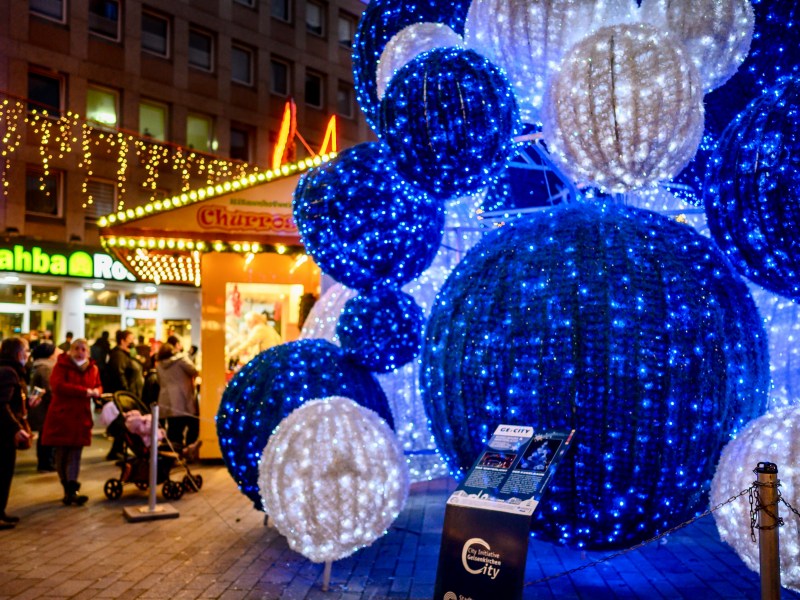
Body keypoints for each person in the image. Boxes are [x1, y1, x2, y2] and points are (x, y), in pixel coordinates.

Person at [41, 339, 102, 506]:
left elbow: (98, 385)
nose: (80, 351)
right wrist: (85, 392)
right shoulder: (61, 366)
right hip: (63, 415)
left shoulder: (93, 368)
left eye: (83, 349)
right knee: (62, 452)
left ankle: (72, 489)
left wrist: (96, 391)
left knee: (76, 452)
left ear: (88, 352)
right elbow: (58, 386)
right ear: (70, 350)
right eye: (76, 348)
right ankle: (67, 487)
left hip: (81, 416)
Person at [0, 337, 32, 528]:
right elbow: (1, 404)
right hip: (3, 434)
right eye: (26, 350)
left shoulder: (10, 371)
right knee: (3, 472)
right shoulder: (8, 373)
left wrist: (27, 404)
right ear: (19, 353)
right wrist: (16, 428)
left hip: (5, 431)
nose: (28, 355)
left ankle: (1, 511)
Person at [104, 330, 144, 460]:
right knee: (124, 423)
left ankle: (118, 449)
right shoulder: (118, 356)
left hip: (130, 395)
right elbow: (119, 374)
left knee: (126, 423)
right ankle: (117, 450)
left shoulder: (126, 355)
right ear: (122, 340)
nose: (133, 342)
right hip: (125, 397)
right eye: (131, 339)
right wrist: (125, 393)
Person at [28, 342, 59, 472]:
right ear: (50, 354)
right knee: (47, 436)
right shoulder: (46, 368)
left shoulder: (39, 366)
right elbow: (50, 389)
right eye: (56, 351)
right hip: (46, 409)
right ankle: (45, 463)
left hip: (41, 408)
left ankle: (45, 462)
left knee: (44, 435)